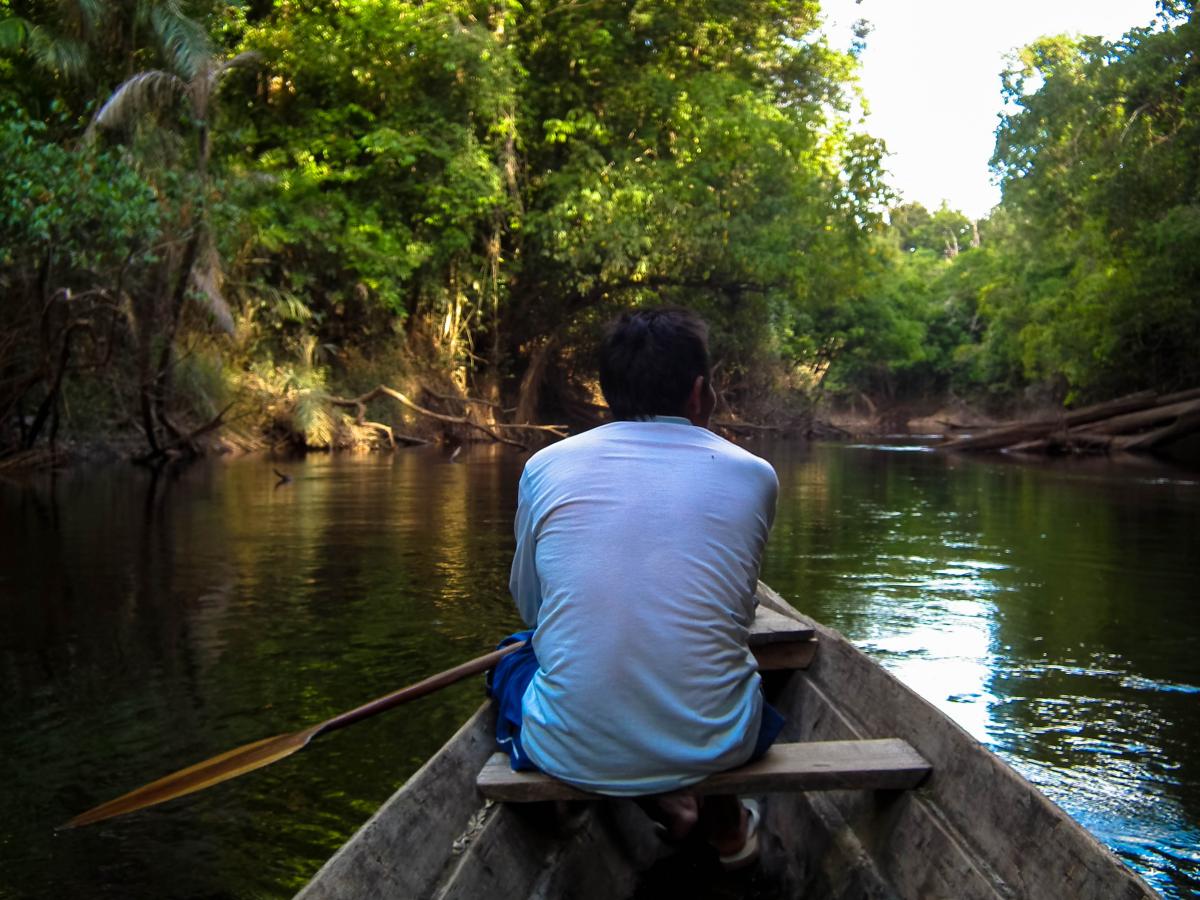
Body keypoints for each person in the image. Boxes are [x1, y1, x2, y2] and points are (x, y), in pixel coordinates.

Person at [489, 307, 781, 865]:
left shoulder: (544, 466)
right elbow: (737, 618)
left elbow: (531, 607)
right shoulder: (754, 474)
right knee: (727, 677)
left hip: (569, 750)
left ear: (608, 393)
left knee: (512, 653)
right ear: (700, 394)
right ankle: (723, 824)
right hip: (721, 741)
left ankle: (667, 809)